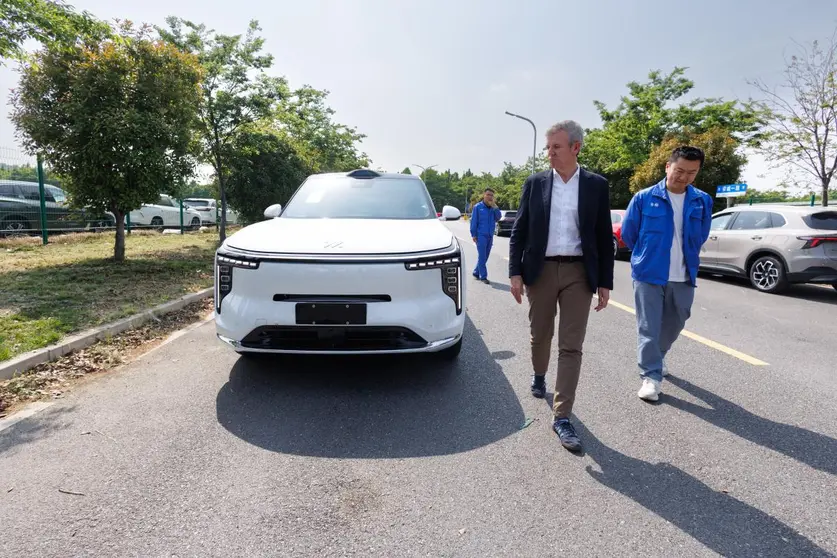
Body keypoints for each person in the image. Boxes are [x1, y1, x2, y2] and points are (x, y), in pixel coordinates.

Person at [508, 120, 614, 452]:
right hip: (540, 271)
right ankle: (540, 375)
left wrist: (604, 282)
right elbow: (520, 229)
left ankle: (562, 416)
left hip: (579, 273)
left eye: (556, 147)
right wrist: (515, 272)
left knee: (571, 345)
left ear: (575, 148)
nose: (550, 153)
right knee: (541, 334)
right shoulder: (535, 183)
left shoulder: (596, 185)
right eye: (548, 148)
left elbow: (602, 235)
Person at [620, 146, 713, 402]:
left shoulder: (702, 200)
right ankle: (651, 376)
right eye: (679, 170)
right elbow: (629, 234)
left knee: (678, 319)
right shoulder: (643, 197)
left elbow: (701, 234)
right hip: (649, 272)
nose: (684, 177)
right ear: (667, 167)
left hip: (684, 273)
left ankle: (657, 357)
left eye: (691, 173)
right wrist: (648, 254)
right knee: (649, 326)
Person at [470, 188, 502, 283]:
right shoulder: (478, 207)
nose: (490, 197)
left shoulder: (493, 208)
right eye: (488, 194)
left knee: (485, 256)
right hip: (481, 235)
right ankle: (483, 276)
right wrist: (474, 235)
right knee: (482, 256)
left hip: (490, 236)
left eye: (491, 195)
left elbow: (498, 217)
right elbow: (474, 222)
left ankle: (476, 272)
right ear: (484, 195)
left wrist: (495, 207)